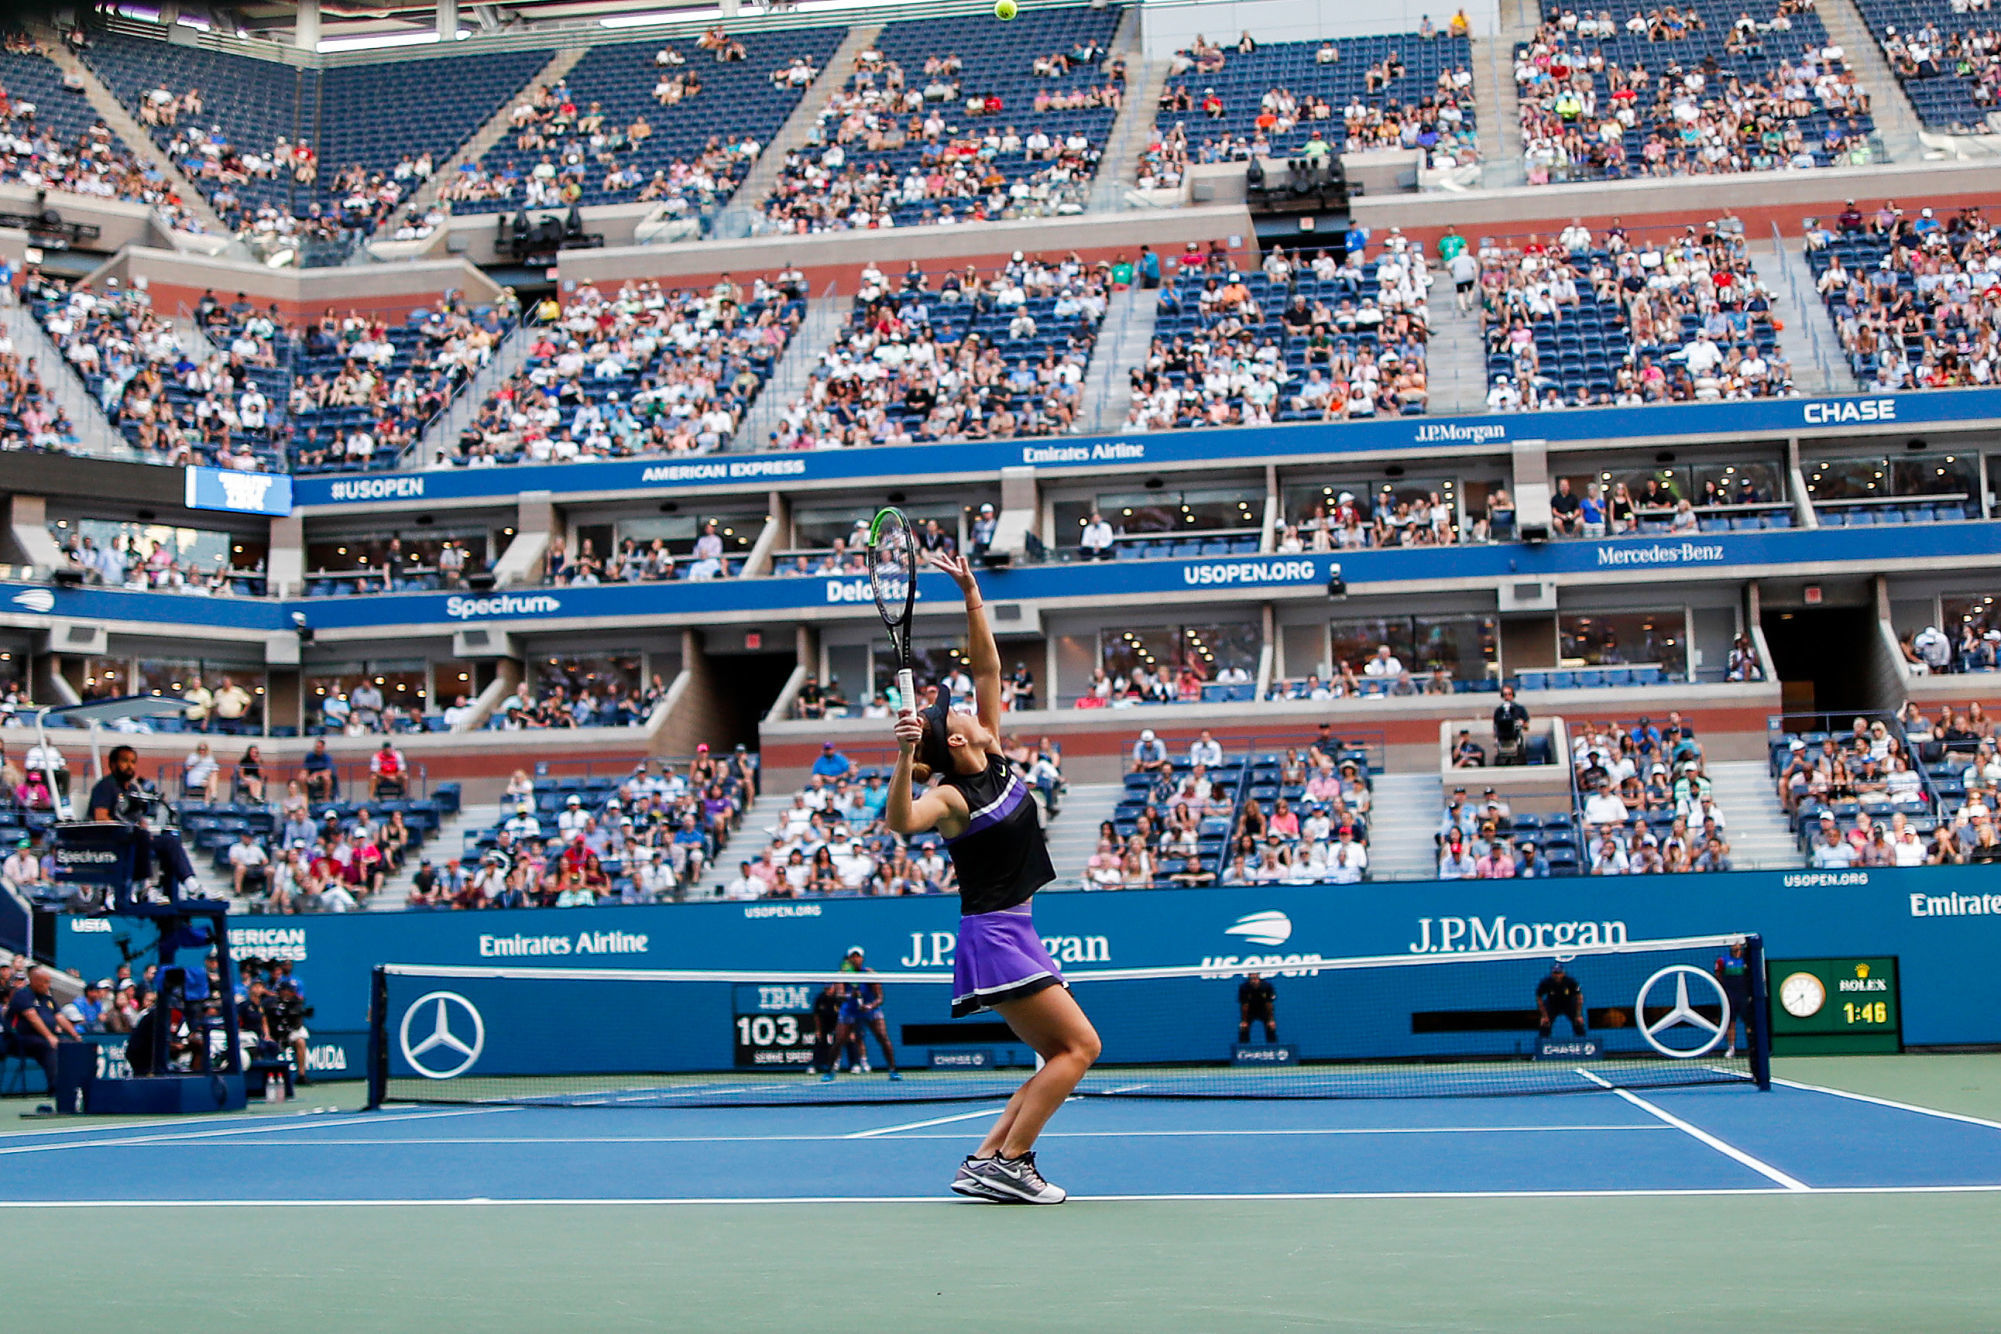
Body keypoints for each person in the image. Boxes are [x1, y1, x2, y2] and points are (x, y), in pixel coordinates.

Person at [890, 550, 1097, 1205]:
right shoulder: (953, 798)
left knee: (1056, 1053)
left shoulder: (998, 759)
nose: (968, 705)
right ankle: (1013, 1161)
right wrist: (900, 757)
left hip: (1014, 930)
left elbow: (988, 666)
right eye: (952, 710)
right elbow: (900, 822)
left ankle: (985, 1160)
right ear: (951, 741)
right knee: (1079, 1048)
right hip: (995, 936)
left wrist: (973, 596)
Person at [89, 745, 203, 904]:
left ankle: (191, 884)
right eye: (124, 761)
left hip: (136, 839)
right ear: (113, 764)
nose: (130, 766)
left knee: (170, 839)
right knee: (140, 836)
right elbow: (100, 818)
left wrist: (142, 827)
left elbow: (140, 818)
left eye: (133, 762)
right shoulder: (105, 787)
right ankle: (141, 888)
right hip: (112, 842)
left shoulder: (134, 789)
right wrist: (130, 830)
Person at [820, 947, 898, 1080]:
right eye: (853, 956)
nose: (856, 959)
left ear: (862, 958)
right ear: (849, 959)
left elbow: (880, 998)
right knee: (838, 1041)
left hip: (870, 1011)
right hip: (849, 1011)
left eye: (858, 956)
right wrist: (851, 995)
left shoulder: (870, 974)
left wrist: (870, 1006)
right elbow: (839, 996)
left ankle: (893, 1070)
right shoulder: (842, 975)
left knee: (883, 1038)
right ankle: (830, 1071)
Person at [6, 965, 76, 1088]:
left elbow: (59, 1016)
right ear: (35, 981)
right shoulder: (22, 995)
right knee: (50, 1047)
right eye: (45, 982)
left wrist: (76, 1036)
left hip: (43, 1038)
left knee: (71, 1045)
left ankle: (73, 1085)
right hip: (21, 1039)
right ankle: (55, 1088)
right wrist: (50, 1036)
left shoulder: (47, 997)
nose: (48, 985)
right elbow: (33, 1018)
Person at [1713, 938, 1756, 1060]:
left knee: (1749, 1022)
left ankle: (1752, 1048)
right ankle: (1731, 1048)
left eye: (1737, 944)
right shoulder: (1723, 961)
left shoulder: (1747, 961)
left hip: (1744, 996)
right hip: (1730, 996)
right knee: (1731, 1023)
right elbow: (1718, 974)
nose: (1734, 946)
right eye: (1732, 944)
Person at [1536, 963, 1586, 1038]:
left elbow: (1579, 998)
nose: (1557, 976)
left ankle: (1583, 1042)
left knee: (1578, 1023)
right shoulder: (1545, 983)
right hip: (1552, 1005)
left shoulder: (1571, 982)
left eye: (1559, 973)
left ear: (1563, 973)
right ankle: (1543, 1044)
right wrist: (1544, 1016)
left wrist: (1578, 1015)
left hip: (1569, 1004)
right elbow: (1539, 998)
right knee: (1545, 1024)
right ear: (1552, 974)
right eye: (1555, 973)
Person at [1492, 685, 1529, 765]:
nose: (1507, 697)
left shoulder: (1520, 709)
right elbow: (1495, 727)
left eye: (1509, 694)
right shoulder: (1499, 711)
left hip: (1516, 740)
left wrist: (1520, 723)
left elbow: (1526, 726)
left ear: (1513, 695)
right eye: (1505, 694)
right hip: (1502, 740)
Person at [1237, 971, 1277, 1043]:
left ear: (1259, 978)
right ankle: (1243, 1049)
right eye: (1251, 979)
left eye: (1255, 979)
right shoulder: (1244, 988)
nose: (1253, 981)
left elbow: (1269, 1004)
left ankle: (1274, 1048)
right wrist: (1244, 1021)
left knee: (1271, 1028)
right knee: (1243, 1028)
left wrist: (1271, 1020)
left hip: (1264, 1010)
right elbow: (1245, 1005)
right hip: (1250, 1011)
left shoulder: (1266, 987)